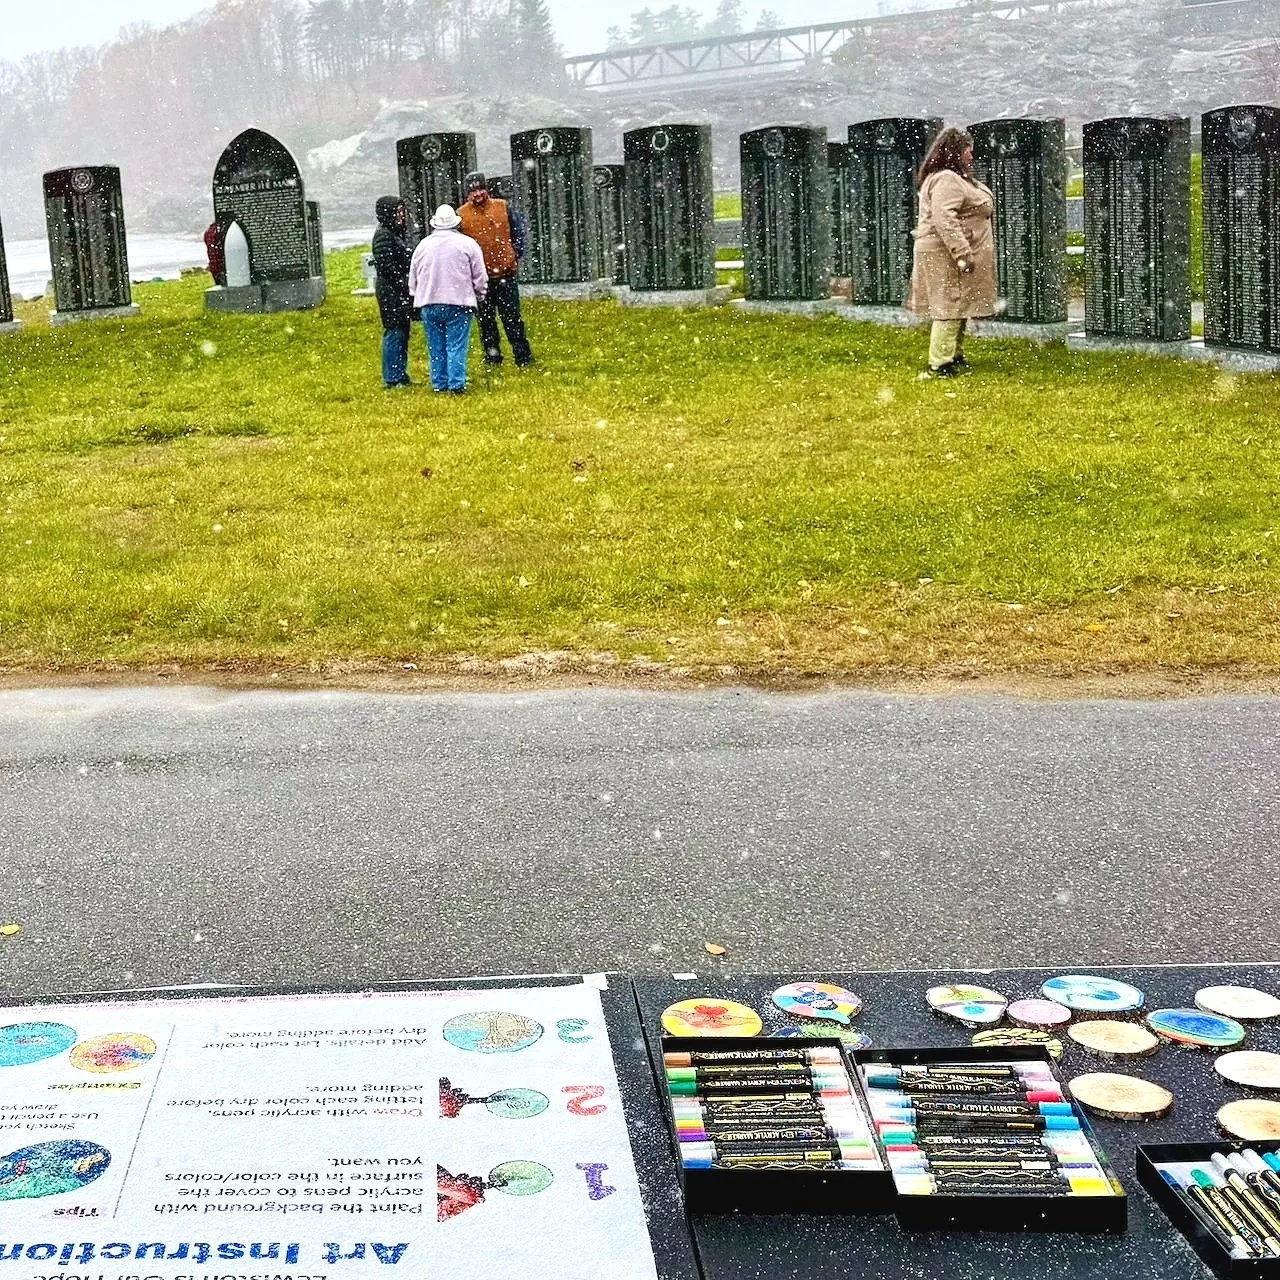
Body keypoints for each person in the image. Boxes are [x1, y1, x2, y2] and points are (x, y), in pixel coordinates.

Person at [906, 127, 996, 378]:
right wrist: (962, 252)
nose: (971, 155)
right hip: (945, 253)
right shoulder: (946, 178)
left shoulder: (953, 177)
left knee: (959, 304)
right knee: (949, 305)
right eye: (968, 150)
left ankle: (954, 355)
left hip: (951, 252)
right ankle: (940, 363)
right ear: (955, 151)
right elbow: (944, 218)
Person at [408, 204, 488, 394]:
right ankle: (456, 384)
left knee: (436, 346)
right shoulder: (468, 244)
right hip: (459, 302)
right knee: (456, 345)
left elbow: (413, 277)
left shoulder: (423, 246)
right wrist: (480, 295)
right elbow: (480, 276)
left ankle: (439, 383)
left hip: (429, 302)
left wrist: (416, 295)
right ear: (455, 223)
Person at [458, 171, 534, 367]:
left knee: (513, 318)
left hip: (506, 275)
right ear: (467, 193)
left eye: (480, 189)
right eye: (473, 190)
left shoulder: (502, 206)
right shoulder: (461, 215)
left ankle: (523, 357)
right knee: (486, 320)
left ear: (486, 189)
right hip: (480, 279)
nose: (477, 194)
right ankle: (493, 357)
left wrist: (513, 253)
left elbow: (518, 233)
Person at [372, 195, 415, 389]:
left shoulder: (394, 233)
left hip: (397, 288)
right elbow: (387, 266)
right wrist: (403, 283)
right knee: (394, 330)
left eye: (402, 211)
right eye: (398, 211)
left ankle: (400, 373)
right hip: (390, 290)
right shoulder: (384, 235)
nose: (402, 215)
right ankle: (392, 377)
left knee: (402, 330)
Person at [203, 218, 226, 287]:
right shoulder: (221, 230)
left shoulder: (208, 232)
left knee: (220, 286)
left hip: (214, 266)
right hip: (221, 265)